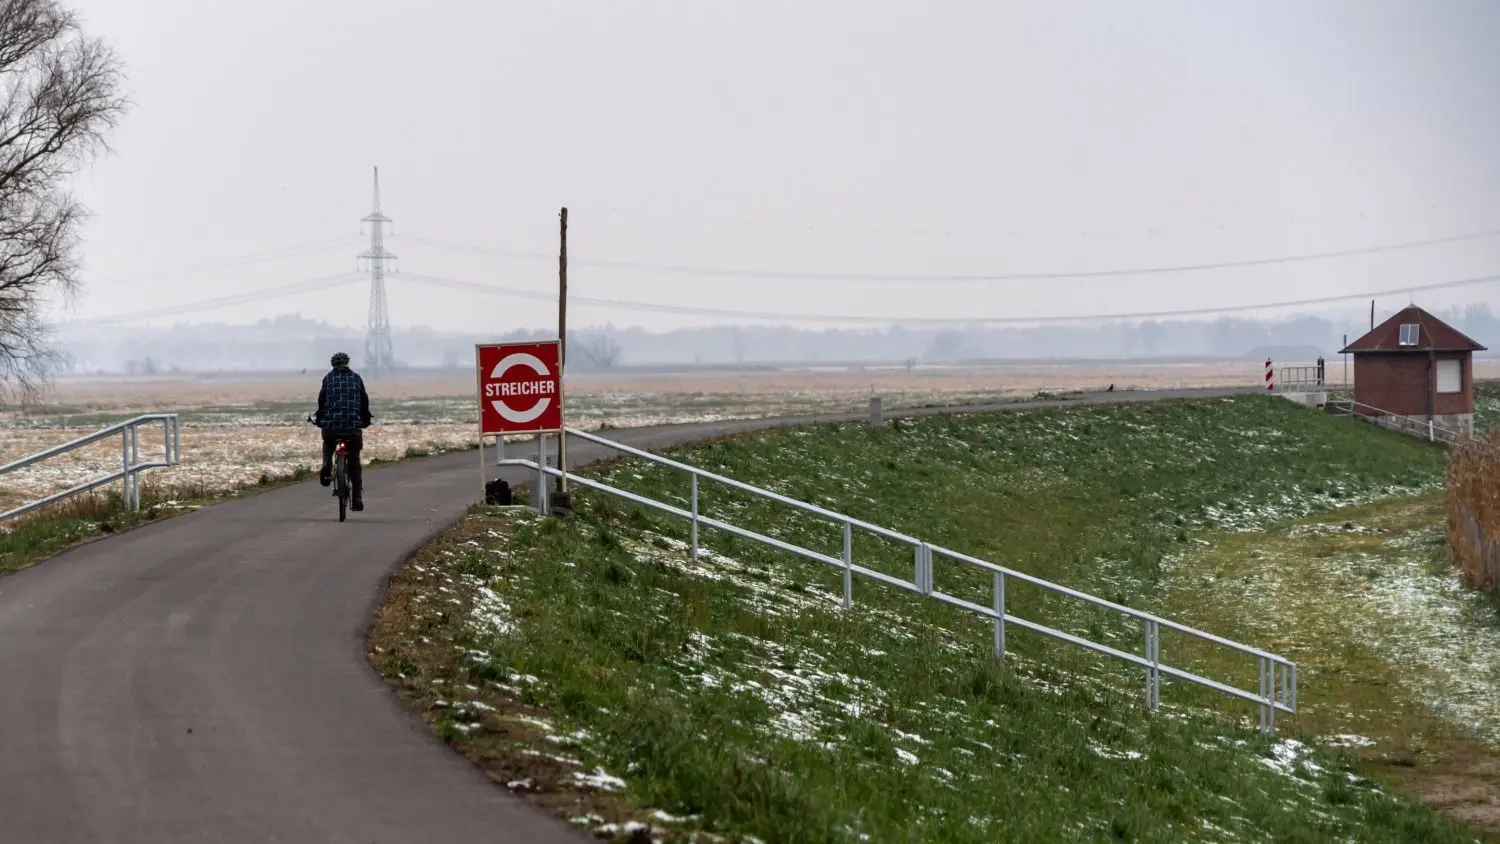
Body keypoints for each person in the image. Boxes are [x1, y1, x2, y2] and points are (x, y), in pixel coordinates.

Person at [314, 352, 373, 510]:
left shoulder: (328, 379)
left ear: (332, 364)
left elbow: (321, 402)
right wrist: (365, 420)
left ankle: (326, 465)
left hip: (332, 427)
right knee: (354, 461)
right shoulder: (356, 378)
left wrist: (319, 419)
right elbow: (364, 401)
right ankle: (357, 497)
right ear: (348, 363)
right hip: (352, 427)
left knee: (328, 445)